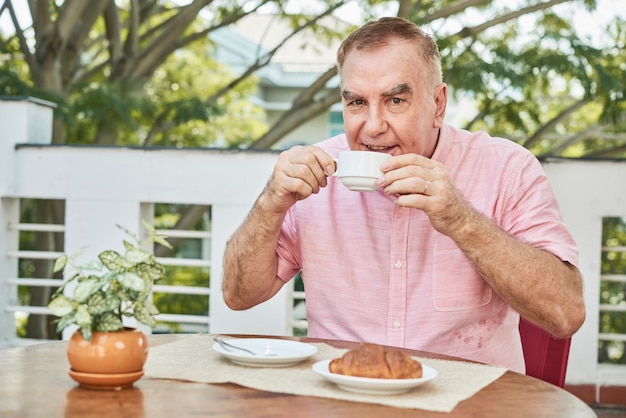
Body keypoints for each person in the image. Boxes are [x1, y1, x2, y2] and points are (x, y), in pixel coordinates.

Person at [221, 17, 585, 372]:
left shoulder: (507, 167)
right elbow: (239, 296)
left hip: (471, 405)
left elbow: (565, 314)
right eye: (357, 103)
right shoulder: (315, 173)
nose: (374, 127)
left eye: (395, 101)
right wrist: (270, 202)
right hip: (342, 401)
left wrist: (460, 220)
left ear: (437, 105)